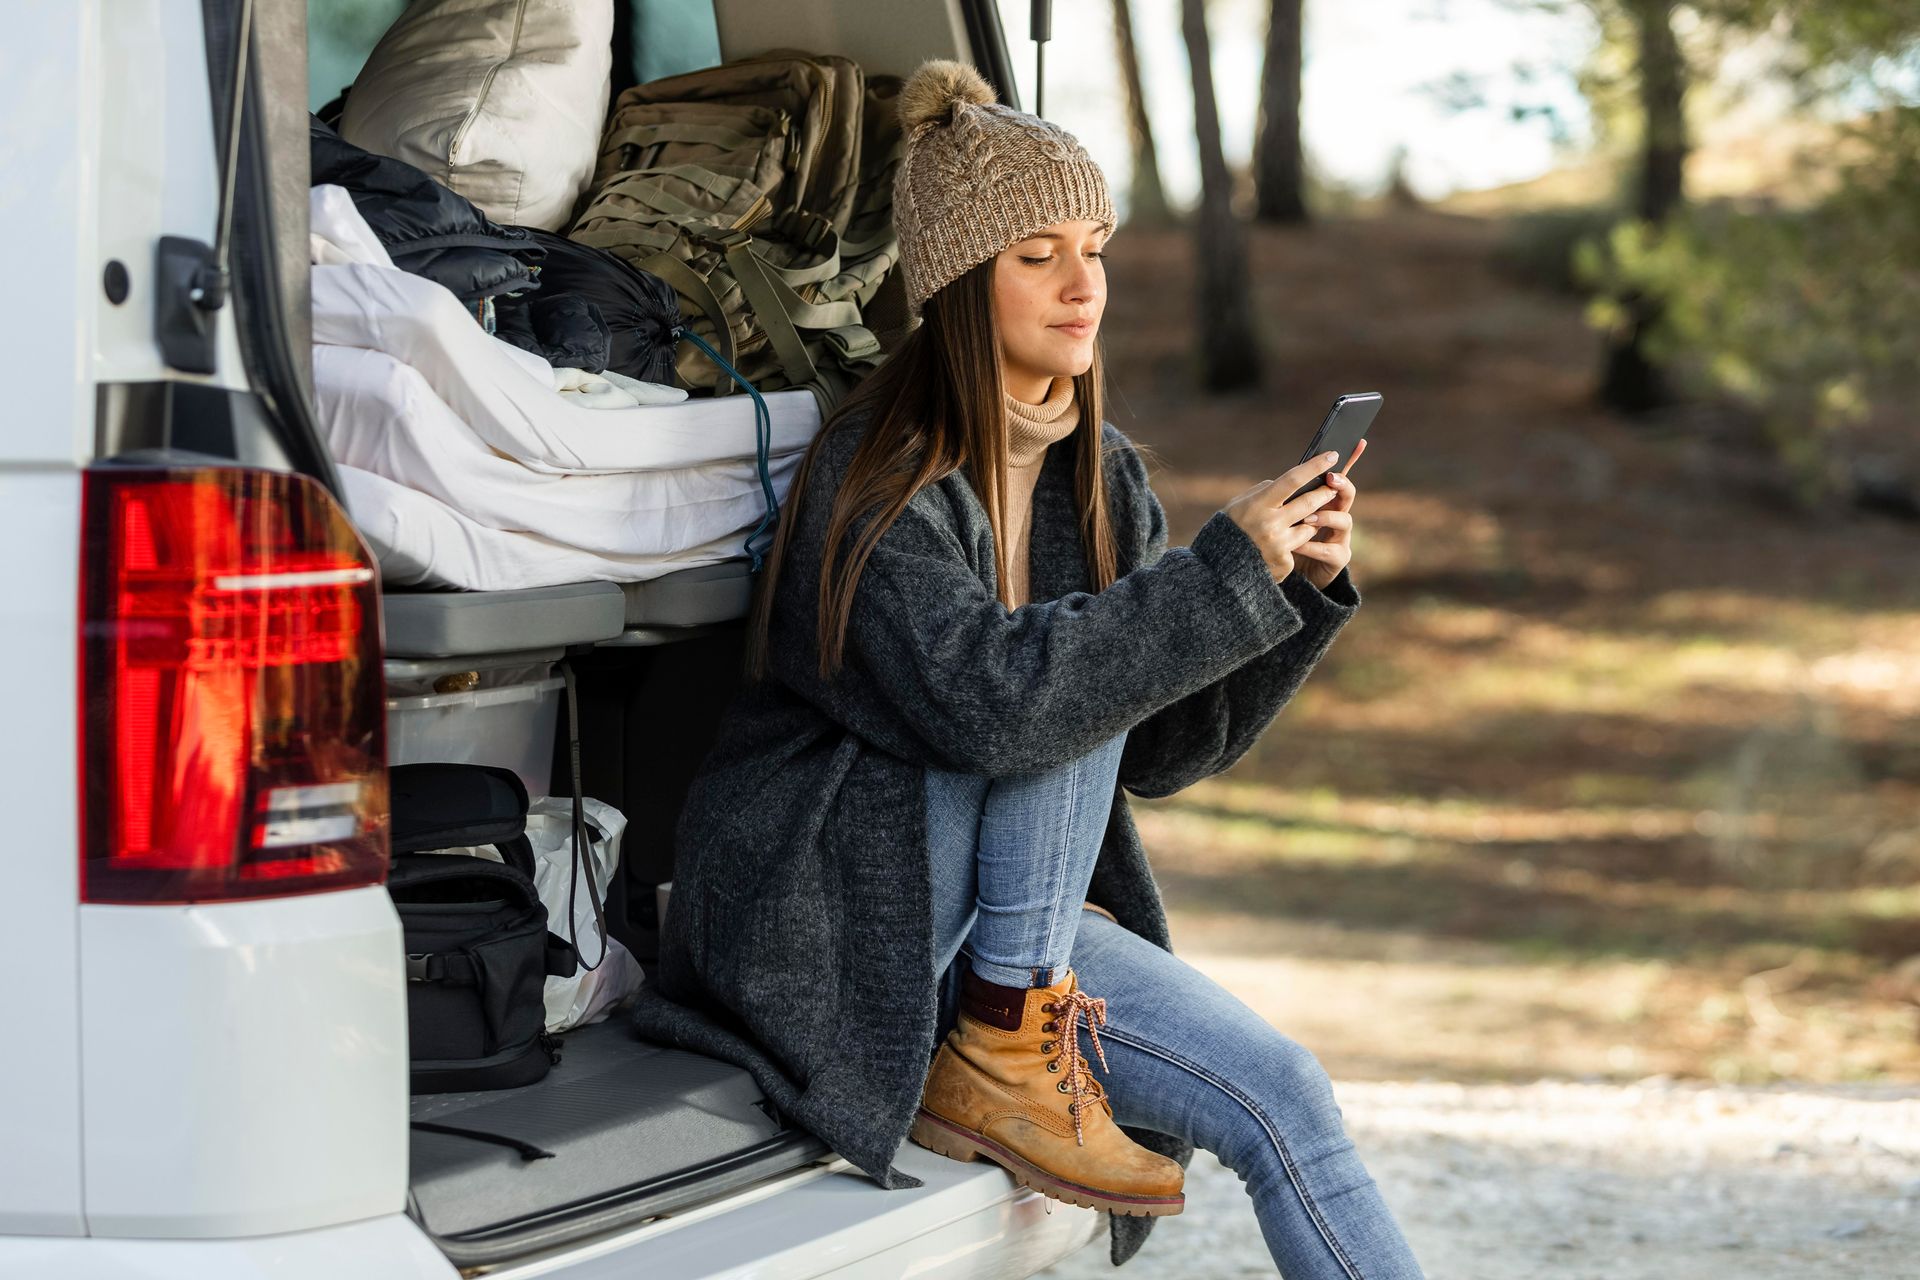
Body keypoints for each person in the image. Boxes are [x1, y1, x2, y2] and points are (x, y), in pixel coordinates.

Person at [629, 59, 1426, 1277]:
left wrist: (1289, 592)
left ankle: (1011, 1030)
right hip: (846, 908)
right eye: (1036, 252)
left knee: (1288, 1100)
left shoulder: (1101, 473)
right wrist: (1211, 580)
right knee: (1063, 670)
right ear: (957, 278)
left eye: (1094, 246)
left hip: (1023, 929)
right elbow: (996, 704)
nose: (1082, 284)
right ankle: (1001, 1043)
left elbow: (1159, 749)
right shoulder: (873, 477)